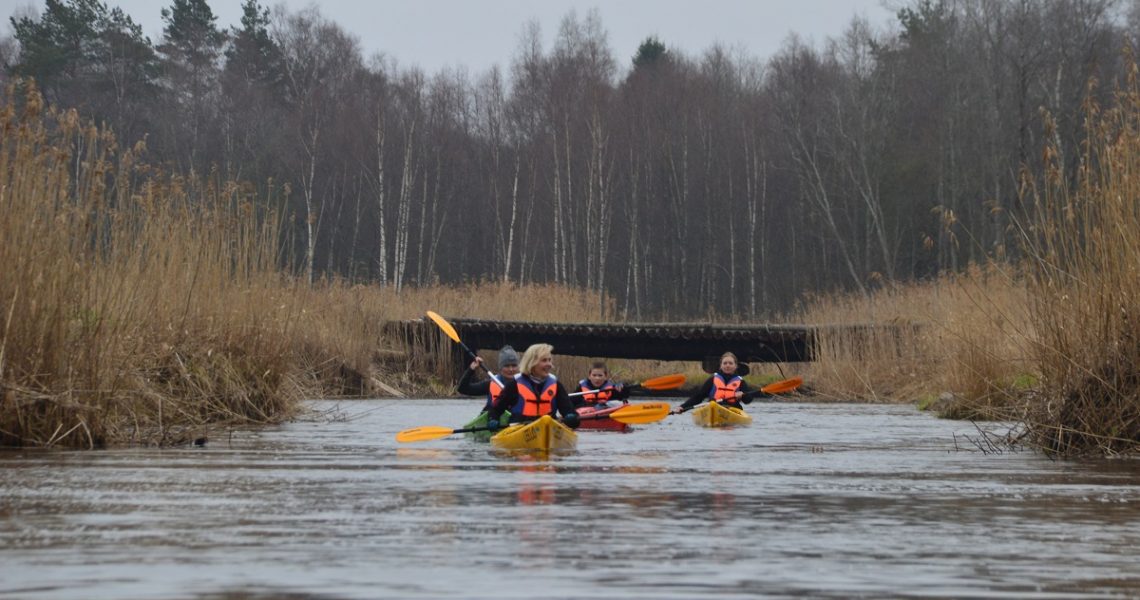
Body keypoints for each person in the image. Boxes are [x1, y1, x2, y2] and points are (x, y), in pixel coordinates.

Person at [486, 343, 580, 429]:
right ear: (532, 363)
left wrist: (572, 418)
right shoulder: (514, 385)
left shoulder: (556, 385)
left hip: (548, 428)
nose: (549, 365)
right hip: (519, 429)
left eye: (549, 360)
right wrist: (492, 419)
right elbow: (495, 410)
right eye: (544, 360)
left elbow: (570, 412)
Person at [671, 351, 755, 414]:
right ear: (721, 366)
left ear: (735, 366)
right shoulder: (712, 380)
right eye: (725, 363)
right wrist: (682, 407)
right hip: (713, 408)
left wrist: (743, 395)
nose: (727, 365)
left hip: (733, 410)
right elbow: (698, 397)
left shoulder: (740, 382)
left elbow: (748, 400)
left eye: (730, 363)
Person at [457, 345, 520, 412]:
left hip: (517, 420)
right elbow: (463, 389)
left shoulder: (525, 384)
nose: (511, 369)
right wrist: (471, 369)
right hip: (493, 419)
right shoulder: (491, 384)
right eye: (507, 366)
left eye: (514, 365)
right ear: (500, 368)